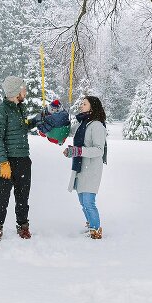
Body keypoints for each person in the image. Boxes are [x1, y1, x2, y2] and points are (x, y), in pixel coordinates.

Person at [0, 75, 40, 244]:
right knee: (2, 198)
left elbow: (23, 126)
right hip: (6, 162)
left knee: (23, 197)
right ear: (15, 92)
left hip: (23, 160)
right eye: (23, 89)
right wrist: (3, 162)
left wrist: (38, 119)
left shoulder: (19, 109)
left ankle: (23, 226)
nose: (25, 91)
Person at [63, 96, 107, 239]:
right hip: (81, 167)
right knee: (83, 201)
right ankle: (90, 225)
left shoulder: (97, 126)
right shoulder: (82, 124)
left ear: (92, 107)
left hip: (92, 168)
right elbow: (68, 131)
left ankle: (96, 229)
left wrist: (78, 151)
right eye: (81, 103)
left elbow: (99, 150)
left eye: (84, 104)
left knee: (89, 201)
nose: (81, 105)